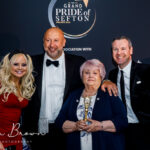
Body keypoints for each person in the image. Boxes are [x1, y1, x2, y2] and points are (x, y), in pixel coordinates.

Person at [22, 27, 85, 150]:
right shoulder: (31, 62)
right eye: (48, 40)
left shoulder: (78, 62)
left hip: (68, 125)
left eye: (56, 40)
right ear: (43, 42)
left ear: (64, 42)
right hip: (40, 127)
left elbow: (93, 78)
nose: (52, 45)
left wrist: (107, 81)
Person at [55, 59, 128, 150]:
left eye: (95, 73)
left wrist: (100, 126)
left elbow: (122, 121)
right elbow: (59, 121)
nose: (90, 76)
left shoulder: (109, 94)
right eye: (87, 72)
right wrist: (75, 126)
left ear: (101, 76)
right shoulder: (73, 95)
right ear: (82, 76)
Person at [102, 36, 150, 150]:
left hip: (143, 130)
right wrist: (106, 81)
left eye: (123, 48)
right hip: (121, 128)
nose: (119, 53)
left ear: (131, 50)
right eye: (115, 49)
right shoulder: (112, 74)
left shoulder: (146, 71)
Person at [0, 50, 35, 150]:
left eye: (23, 65)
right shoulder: (1, 83)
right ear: (8, 65)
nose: (20, 68)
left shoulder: (23, 85)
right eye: (16, 64)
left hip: (16, 138)